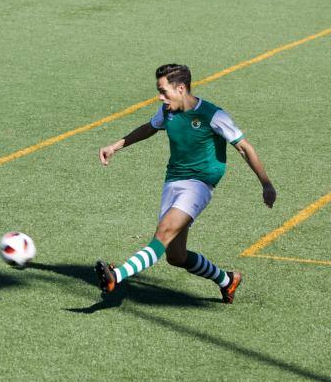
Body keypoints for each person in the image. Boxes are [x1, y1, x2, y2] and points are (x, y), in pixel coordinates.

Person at [95, 64, 276, 304]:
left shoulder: (213, 115)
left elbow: (244, 147)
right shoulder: (167, 111)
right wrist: (114, 146)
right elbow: (150, 127)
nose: (160, 96)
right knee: (176, 256)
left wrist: (266, 184)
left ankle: (116, 276)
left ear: (181, 88)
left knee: (164, 232)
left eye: (163, 91)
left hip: (199, 185)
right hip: (172, 182)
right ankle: (228, 280)